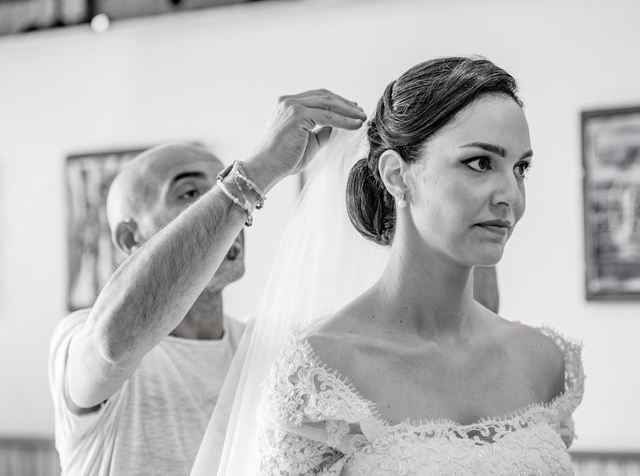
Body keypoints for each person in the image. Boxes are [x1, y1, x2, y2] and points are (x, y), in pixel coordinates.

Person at [193, 58, 586, 476]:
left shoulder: (545, 363)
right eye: (480, 163)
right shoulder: (322, 374)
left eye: (520, 168)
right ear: (397, 175)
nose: (511, 196)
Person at [48, 143, 249, 475]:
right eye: (190, 193)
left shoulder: (256, 345)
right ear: (130, 239)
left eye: (224, 187)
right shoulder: (81, 336)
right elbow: (110, 347)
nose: (233, 207)